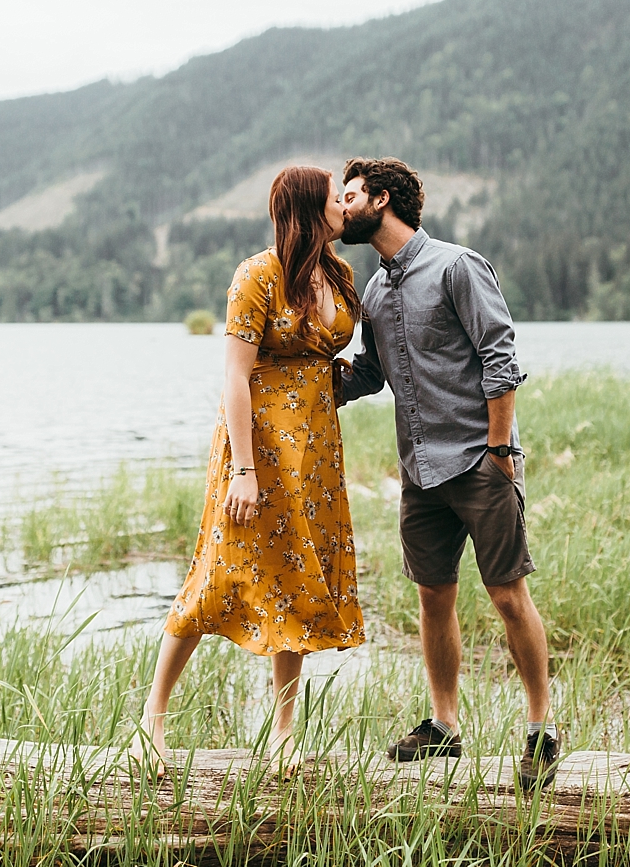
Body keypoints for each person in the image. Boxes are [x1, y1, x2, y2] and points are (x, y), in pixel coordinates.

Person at [129, 165, 366, 775]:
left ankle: (284, 728)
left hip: (312, 455)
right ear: (312, 209)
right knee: (216, 573)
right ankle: (152, 718)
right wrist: (242, 470)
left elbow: (338, 357)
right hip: (255, 449)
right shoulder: (257, 275)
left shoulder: (338, 276)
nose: (346, 207)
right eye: (336, 200)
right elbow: (235, 375)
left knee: (298, 579)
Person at [337, 157, 559, 790]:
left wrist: (498, 451)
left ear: (380, 199)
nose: (341, 207)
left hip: (478, 461)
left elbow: (500, 355)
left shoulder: (457, 266)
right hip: (420, 471)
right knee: (434, 596)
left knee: (507, 594)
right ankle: (444, 726)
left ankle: (542, 728)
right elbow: (372, 374)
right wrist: (305, 383)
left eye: (349, 196)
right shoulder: (373, 292)